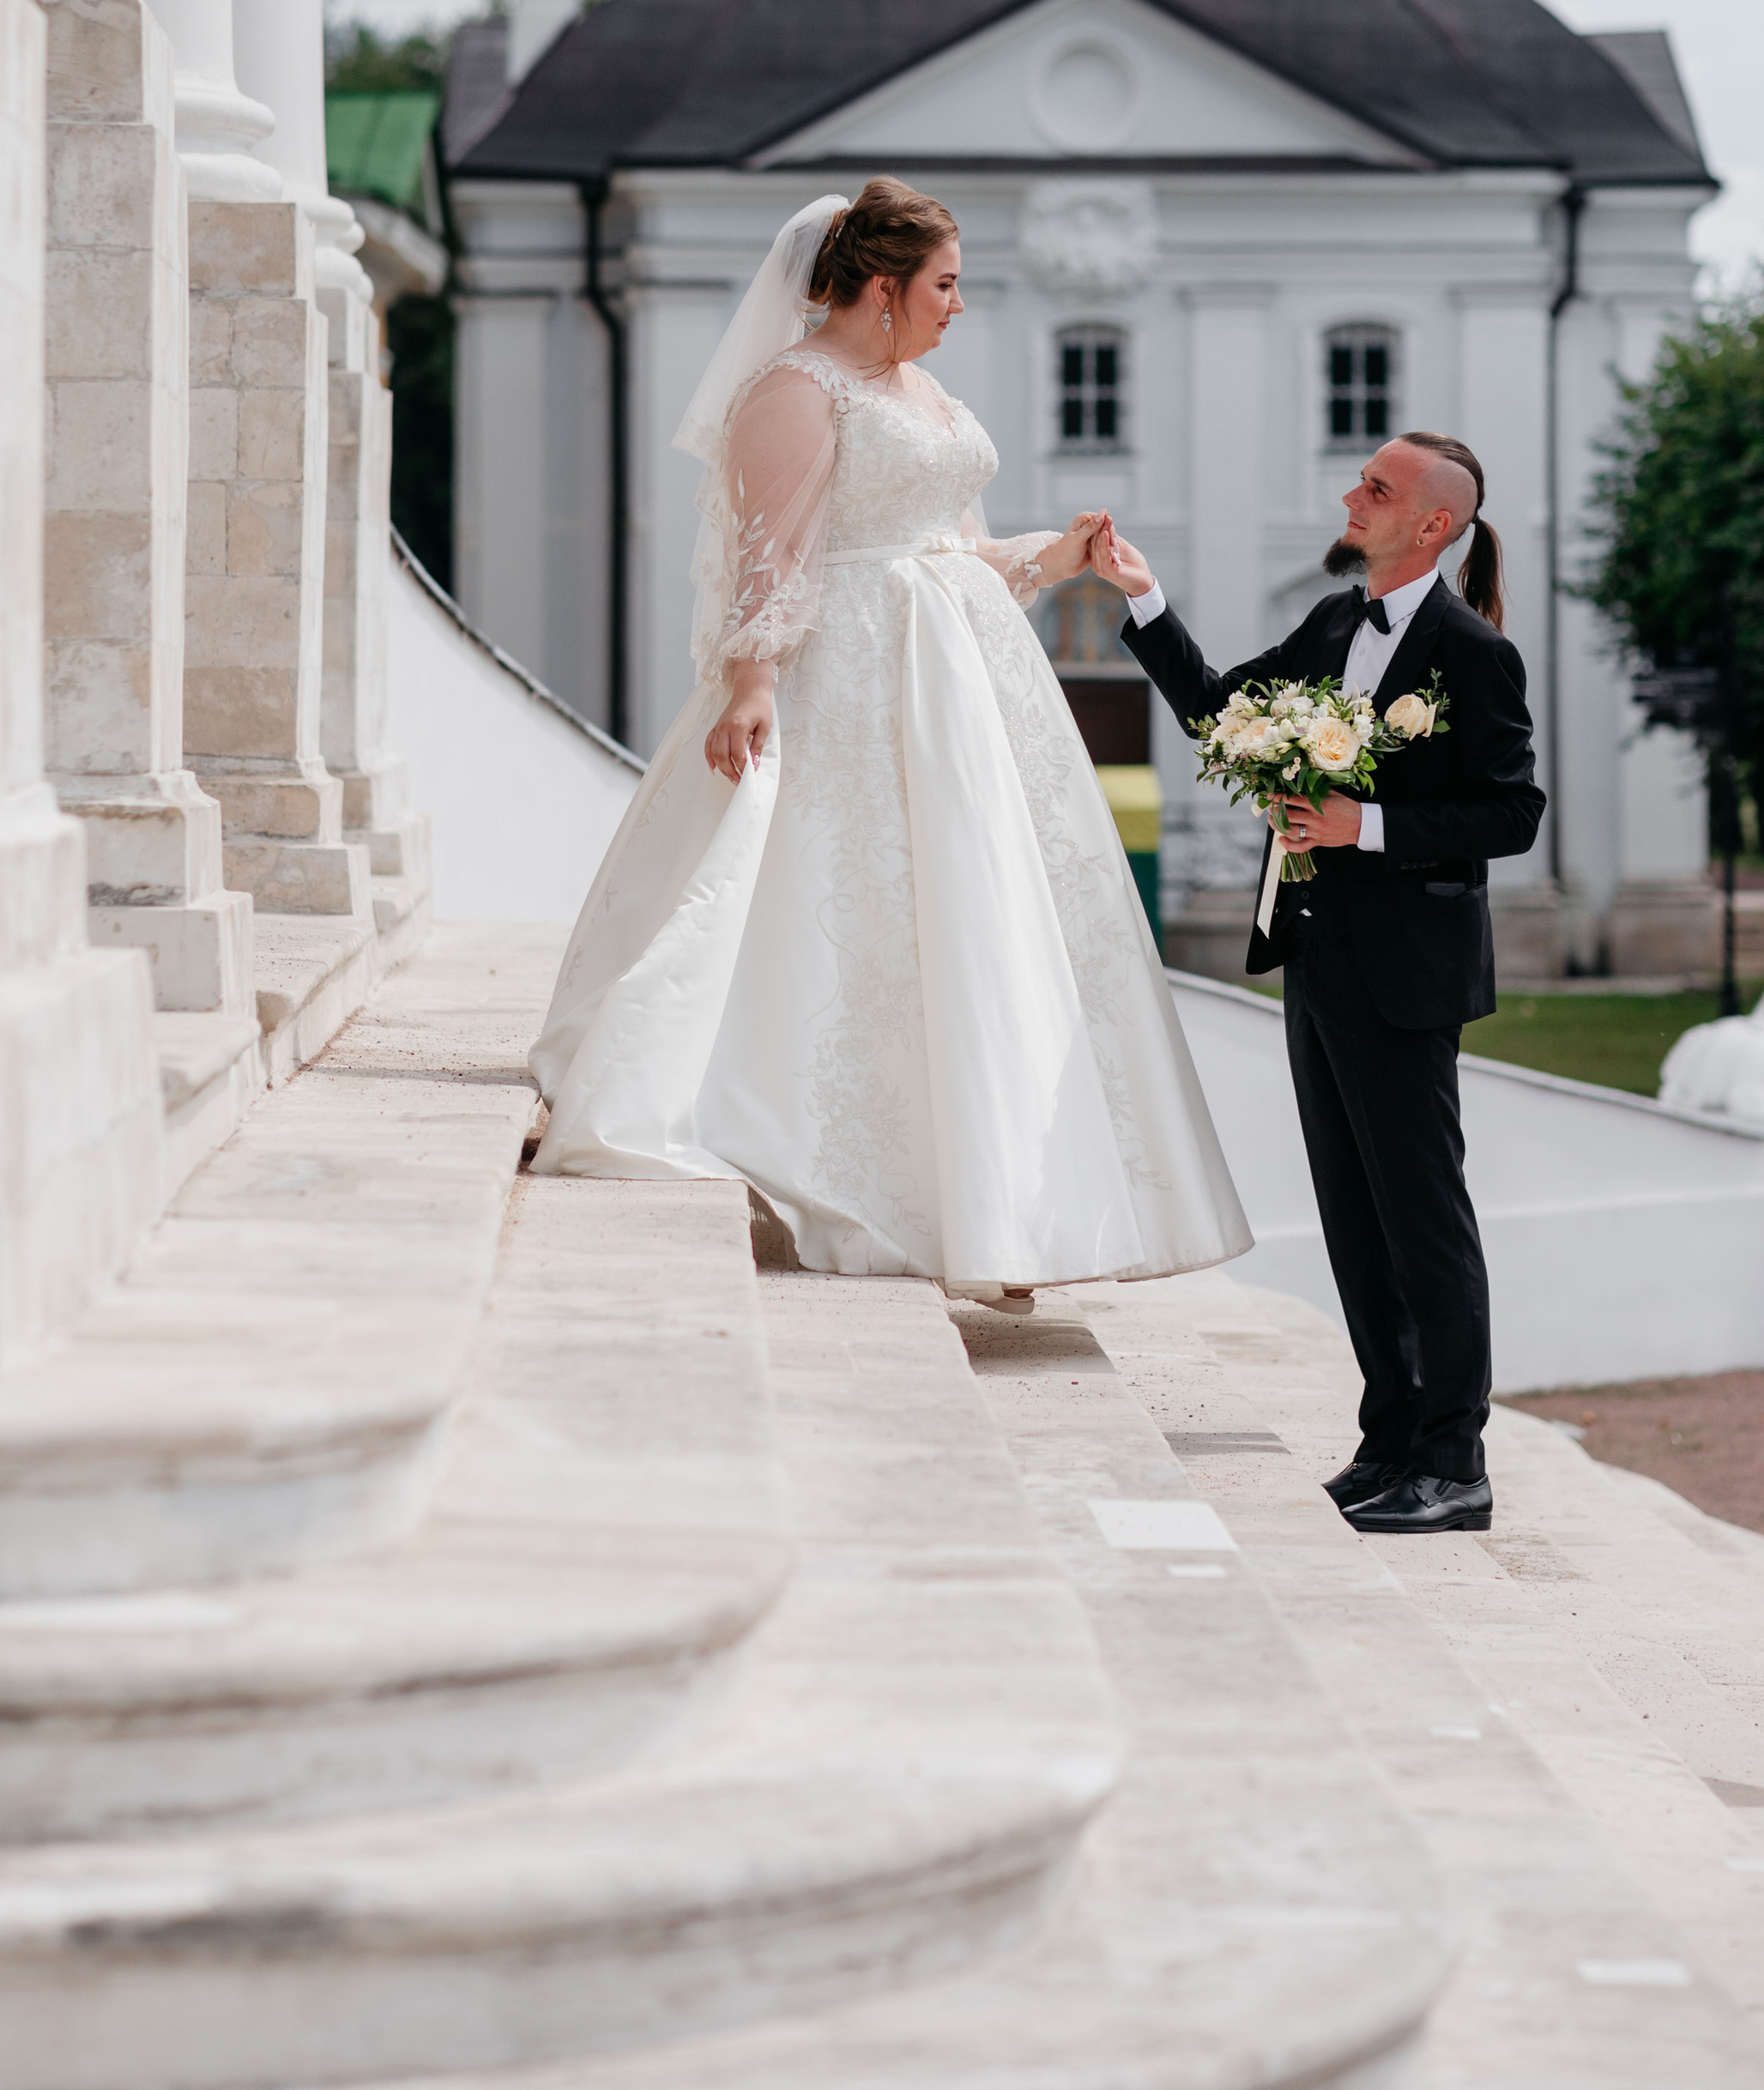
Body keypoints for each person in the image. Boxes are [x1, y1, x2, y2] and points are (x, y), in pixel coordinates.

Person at [529, 180, 1250, 1292]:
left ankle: (998, 1201)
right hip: (849, 675)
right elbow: (776, 552)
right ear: (881, 288)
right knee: (849, 905)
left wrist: (1059, 558)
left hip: (959, 676)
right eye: (944, 284)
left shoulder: (916, 387)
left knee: (978, 920)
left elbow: (949, 545)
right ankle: (848, 1163)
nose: (958, 304)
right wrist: (752, 683)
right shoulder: (796, 389)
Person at [1093, 438, 1544, 1535]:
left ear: (1433, 524)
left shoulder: (1470, 653)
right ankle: (1389, 1439)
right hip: (1313, 954)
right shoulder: (1336, 623)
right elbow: (1218, 711)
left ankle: (1456, 1463)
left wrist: (1365, 824)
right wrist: (1145, 599)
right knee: (1353, 1217)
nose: (1352, 496)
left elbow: (1511, 812)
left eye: (1376, 489)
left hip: (1407, 975)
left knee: (1424, 1221)